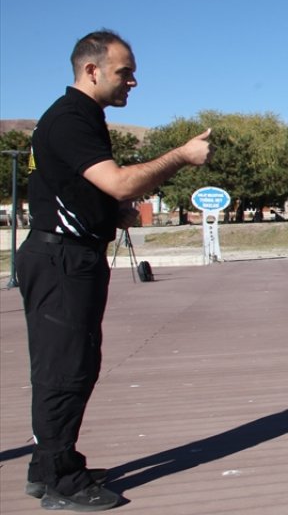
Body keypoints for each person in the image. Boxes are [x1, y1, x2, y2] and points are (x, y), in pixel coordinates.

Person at [17, 30, 212, 511]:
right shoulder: (69, 119)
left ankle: (49, 466)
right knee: (66, 369)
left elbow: (78, 189)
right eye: (125, 72)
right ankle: (61, 480)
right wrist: (181, 157)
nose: (133, 81)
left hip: (68, 253)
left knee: (72, 365)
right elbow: (120, 182)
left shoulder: (82, 118)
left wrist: (106, 216)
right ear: (92, 70)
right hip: (61, 258)